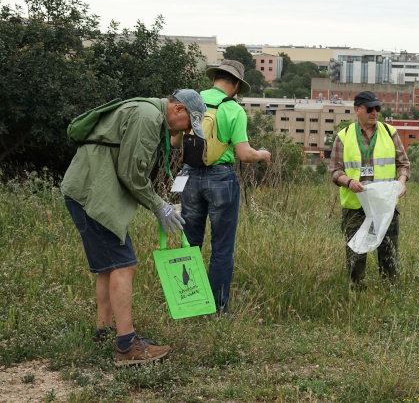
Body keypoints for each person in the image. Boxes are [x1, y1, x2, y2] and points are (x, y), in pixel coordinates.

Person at [61, 90, 206, 366]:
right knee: (124, 264)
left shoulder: (149, 112)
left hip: (87, 191)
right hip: (94, 196)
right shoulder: (148, 117)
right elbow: (131, 174)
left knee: (108, 265)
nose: (186, 131)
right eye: (187, 124)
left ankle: (102, 333)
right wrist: (158, 205)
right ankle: (127, 346)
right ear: (177, 109)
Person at [176, 60, 270, 316]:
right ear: (236, 84)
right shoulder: (234, 110)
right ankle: (216, 308)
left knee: (190, 242)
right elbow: (244, 154)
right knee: (222, 247)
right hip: (221, 180)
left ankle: (188, 304)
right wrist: (262, 154)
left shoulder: (192, 101)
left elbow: (174, 140)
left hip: (189, 177)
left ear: (214, 77)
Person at [329, 91, 410, 288]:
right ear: (357, 110)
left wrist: (402, 181)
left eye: (378, 108)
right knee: (355, 257)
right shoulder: (343, 136)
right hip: (355, 207)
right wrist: (348, 182)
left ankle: (390, 295)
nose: (375, 113)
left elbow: (404, 164)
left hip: (384, 206)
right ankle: (356, 297)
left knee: (389, 256)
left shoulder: (390, 133)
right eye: (370, 109)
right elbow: (335, 171)